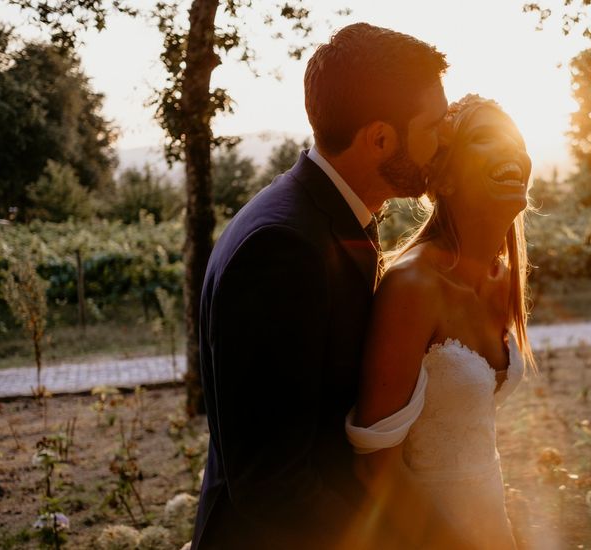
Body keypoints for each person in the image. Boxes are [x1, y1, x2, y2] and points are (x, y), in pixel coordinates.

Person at [192, 23, 448, 549]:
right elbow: (272, 484)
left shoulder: (327, 216)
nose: (441, 143)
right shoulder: (283, 249)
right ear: (380, 138)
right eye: (433, 127)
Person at [346, 94, 536, 550]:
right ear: (444, 180)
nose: (511, 150)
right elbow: (375, 466)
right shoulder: (412, 287)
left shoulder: (502, 278)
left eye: (515, 138)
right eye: (486, 139)